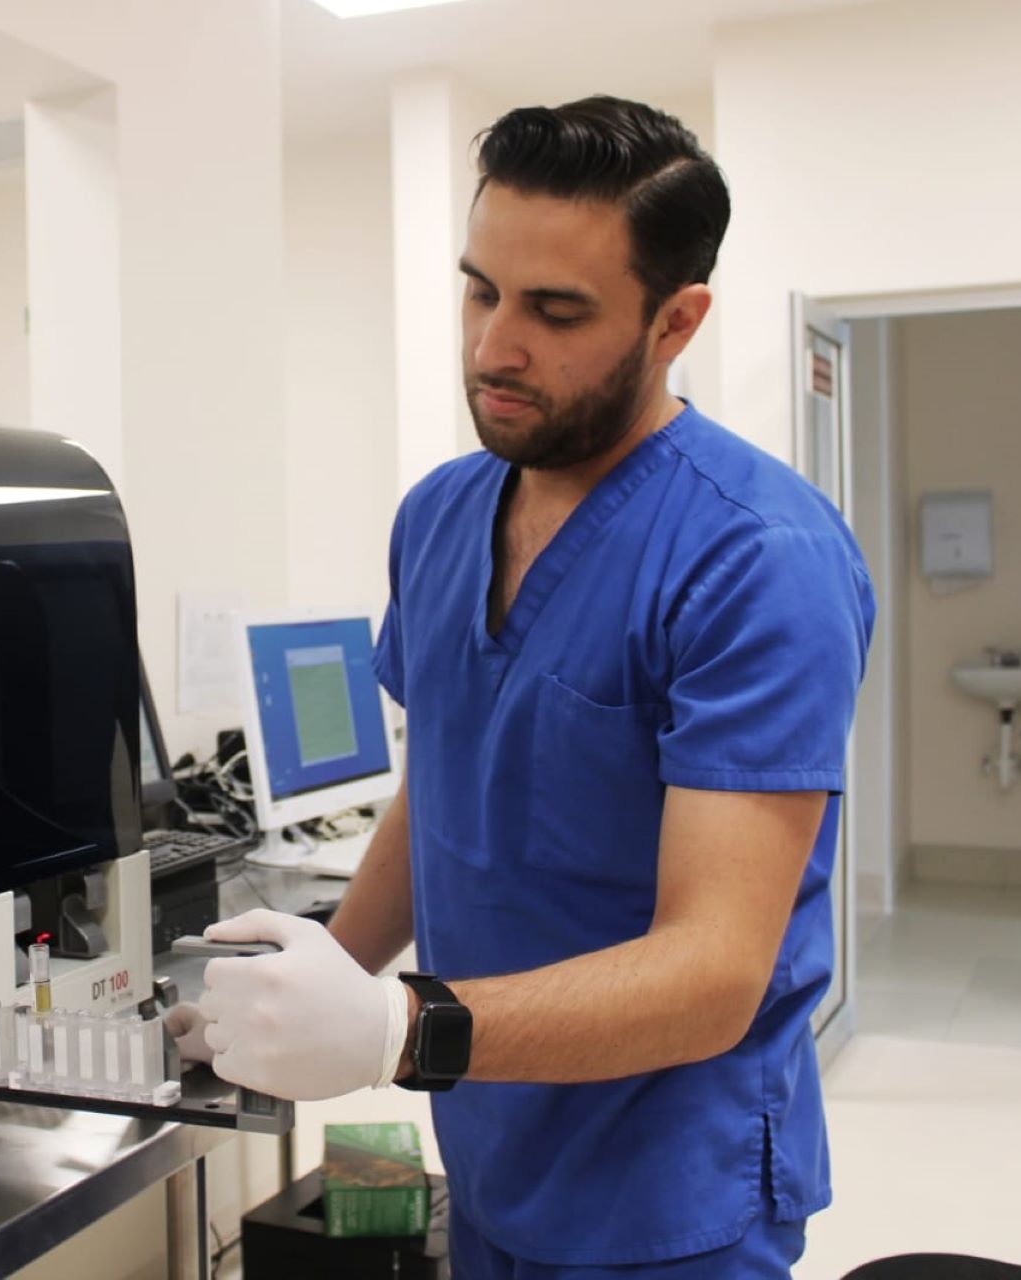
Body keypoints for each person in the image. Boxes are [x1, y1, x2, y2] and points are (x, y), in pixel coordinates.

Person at [164, 97, 875, 1278]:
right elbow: (443, 784)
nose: (496, 344)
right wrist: (320, 977)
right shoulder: (441, 515)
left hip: (667, 1194)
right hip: (490, 1139)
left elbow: (711, 972)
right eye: (481, 288)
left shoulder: (758, 560)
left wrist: (398, 1025)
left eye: (556, 310)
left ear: (676, 320)